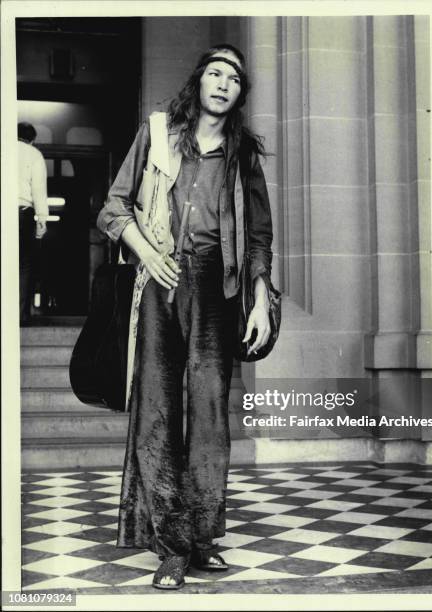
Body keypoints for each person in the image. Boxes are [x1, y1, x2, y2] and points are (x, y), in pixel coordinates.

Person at [97, 43, 273, 590]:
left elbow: (260, 237)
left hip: (217, 291)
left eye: (234, 78)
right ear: (198, 82)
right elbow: (113, 208)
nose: (222, 83)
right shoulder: (158, 136)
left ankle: (201, 537)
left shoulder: (244, 156)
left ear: (240, 94)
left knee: (210, 416)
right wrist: (147, 253)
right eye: (214, 73)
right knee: (156, 409)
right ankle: (171, 547)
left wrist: (261, 299)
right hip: (158, 281)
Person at [17, 122, 49, 323]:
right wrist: (42, 219)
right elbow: (38, 188)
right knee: (24, 265)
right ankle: (20, 315)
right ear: (33, 139)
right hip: (22, 212)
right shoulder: (34, 154)